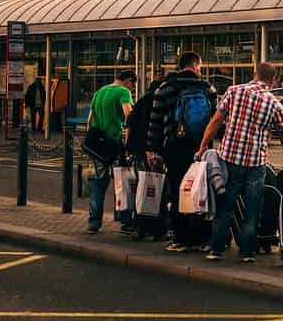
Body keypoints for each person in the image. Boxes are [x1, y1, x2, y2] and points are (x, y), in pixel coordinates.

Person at [199, 62, 283, 263]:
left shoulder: (234, 91)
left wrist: (203, 145)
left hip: (230, 159)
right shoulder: (274, 104)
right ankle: (247, 252)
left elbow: (216, 121)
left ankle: (216, 249)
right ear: (273, 80)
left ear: (255, 73)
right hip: (256, 163)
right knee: (252, 209)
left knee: (225, 206)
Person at [146, 52, 217, 253]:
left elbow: (155, 122)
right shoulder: (207, 88)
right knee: (202, 189)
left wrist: (153, 149)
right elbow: (216, 119)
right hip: (201, 147)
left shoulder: (165, 88)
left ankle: (181, 238)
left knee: (178, 189)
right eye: (200, 67)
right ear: (195, 66)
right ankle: (203, 238)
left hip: (174, 146)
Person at [85, 70, 137, 234]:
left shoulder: (99, 92)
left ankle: (94, 223)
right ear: (128, 81)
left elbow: (89, 120)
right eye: (133, 85)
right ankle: (125, 222)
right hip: (114, 144)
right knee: (123, 183)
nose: (132, 89)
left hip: (97, 146)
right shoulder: (123, 92)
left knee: (97, 184)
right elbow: (129, 115)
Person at [123, 75, 163, 239]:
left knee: (141, 189)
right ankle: (156, 228)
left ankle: (139, 227)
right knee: (156, 189)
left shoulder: (141, 101)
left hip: (137, 149)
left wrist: (127, 148)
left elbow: (129, 125)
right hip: (154, 150)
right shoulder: (161, 100)